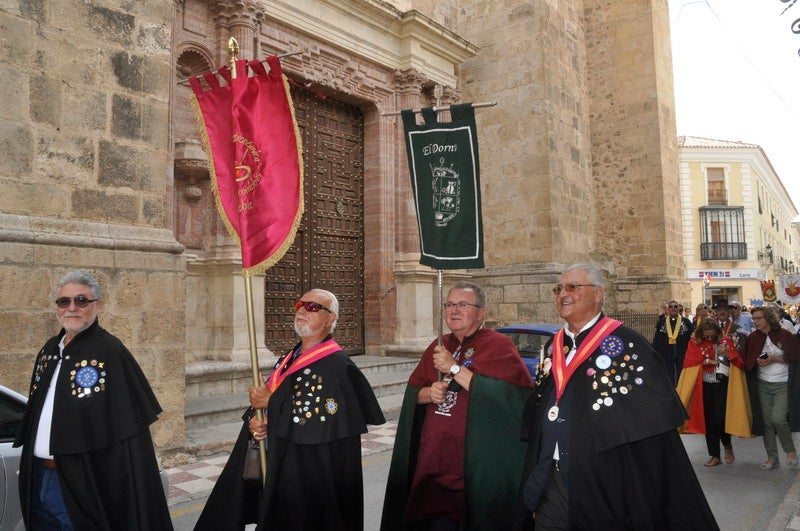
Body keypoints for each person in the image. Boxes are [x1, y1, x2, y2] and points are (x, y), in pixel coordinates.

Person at [514, 263, 718, 530]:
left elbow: (649, 421)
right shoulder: (556, 345)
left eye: (572, 287)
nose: (562, 294)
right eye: (559, 288)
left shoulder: (625, 344)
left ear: (598, 294)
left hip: (603, 486)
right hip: (551, 480)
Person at [195, 289, 385, 530]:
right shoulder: (291, 356)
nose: (303, 310)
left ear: (331, 319)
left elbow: (317, 422)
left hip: (311, 476)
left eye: (314, 307)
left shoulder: (336, 366)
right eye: (300, 305)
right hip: (282, 462)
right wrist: (258, 421)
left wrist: (270, 404)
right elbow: (278, 401)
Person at [13, 270, 173, 530]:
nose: (72, 308)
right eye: (64, 301)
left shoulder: (110, 351)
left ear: (98, 305)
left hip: (81, 480)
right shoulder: (50, 350)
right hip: (38, 474)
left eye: (81, 301)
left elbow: (125, 432)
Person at [381, 281, 533, 530]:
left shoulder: (498, 345)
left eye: (463, 304)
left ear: (481, 312)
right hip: (432, 465)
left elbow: (504, 399)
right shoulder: (439, 345)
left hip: (471, 467)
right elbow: (413, 395)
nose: (454, 310)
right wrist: (429, 393)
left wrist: (453, 368)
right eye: (449, 304)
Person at [676, 319, 751, 467]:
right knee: (708, 421)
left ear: (717, 332)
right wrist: (705, 362)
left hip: (722, 385)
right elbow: (690, 363)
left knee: (720, 419)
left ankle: (727, 446)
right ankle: (715, 455)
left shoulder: (727, 341)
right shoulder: (694, 343)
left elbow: (739, 364)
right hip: (703, 386)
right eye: (706, 336)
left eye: (712, 336)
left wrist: (729, 353)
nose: (709, 338)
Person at [741, 306, 800, 470]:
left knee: (778, 418)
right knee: (767, 422)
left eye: (759, 318)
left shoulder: (785, 335)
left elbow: (795, 357)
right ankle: (772, 458)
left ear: (768, 318)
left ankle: (790, 451)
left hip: (782, 383)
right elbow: (746, 360)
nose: (756, 321)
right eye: (754, 319)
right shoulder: (753, 337)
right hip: (762, 383)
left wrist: (774, 359)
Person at [651, 298, 694, 385]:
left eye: (675, 306)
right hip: (666, 353)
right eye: (671, 307)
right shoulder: (662, 322)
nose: (673, 308)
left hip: (682, 352)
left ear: (679, 308)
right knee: (668, 374)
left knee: (681, 374)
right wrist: (655, 352)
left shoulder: (686, 322)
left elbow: (691, 338)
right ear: (668, 309)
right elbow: (657, 338)